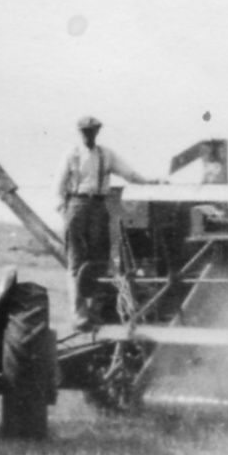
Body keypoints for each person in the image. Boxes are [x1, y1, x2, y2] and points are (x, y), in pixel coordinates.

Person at [56, 116, 157, 330]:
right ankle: (79, 316)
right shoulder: (71, 155)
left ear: (97, 132)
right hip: (77, 204)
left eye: (92, 130)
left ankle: (96, 312)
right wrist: (61, 207)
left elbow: (128, 173)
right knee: (75, 261)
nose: (88, 134)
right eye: (84, 130)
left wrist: (148, 182)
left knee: (100, 260)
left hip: (99, 205)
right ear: (79, 132)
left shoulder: (106, 155)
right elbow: (59, 184)